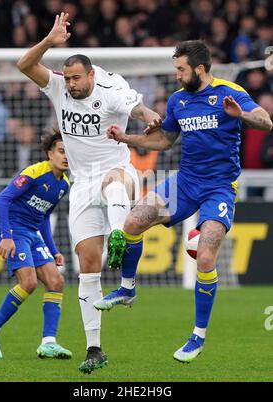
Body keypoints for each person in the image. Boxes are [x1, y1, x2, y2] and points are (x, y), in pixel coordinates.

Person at [94, 40, 273, 363]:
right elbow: (165, 139)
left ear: (200, 69)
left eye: (181, 69)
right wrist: (127, 138)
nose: (176, 75)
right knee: (133, 221)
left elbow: (266, 121)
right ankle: (127, 288)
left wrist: (241, 114)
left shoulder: (229, 92)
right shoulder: (178, 101)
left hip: (218, 187)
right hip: (185, 182)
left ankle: (197, 337)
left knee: (205, 256)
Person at [16, 12, 160, 374]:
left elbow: (137, 108)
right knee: (88, 270)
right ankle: (94, 348)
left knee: (114, 181)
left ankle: (119, 235)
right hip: (81, 185)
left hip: (118, 172)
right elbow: (23, 64)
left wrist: (150, 116)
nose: (72, 85)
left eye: (78, 78)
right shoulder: (58, 86)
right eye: (68, 79)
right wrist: (49, 40)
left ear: (92, 75)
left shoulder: (111, 89)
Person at [0, 130, 72, 360]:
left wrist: (53, 250)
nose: (65, 156)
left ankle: (48, 343)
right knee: (28, 282)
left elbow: (43, 219)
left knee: (56, 281)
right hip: (13, 231)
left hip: (32, 234)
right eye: (61, 151)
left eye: (68, 152)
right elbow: (2, 199)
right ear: (50, 154)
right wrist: (8, 236)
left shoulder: (64, 185)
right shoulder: (34, 172)